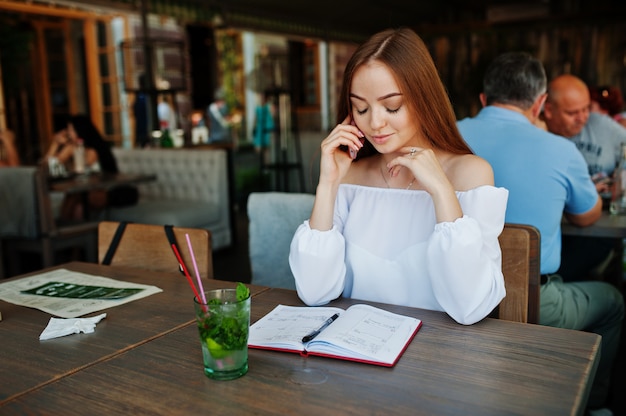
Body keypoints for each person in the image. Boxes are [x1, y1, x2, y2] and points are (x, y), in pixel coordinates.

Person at [288, 28, 509, 326]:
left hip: (437, 359)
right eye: (361, 108)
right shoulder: (350, 176)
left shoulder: (470, 173)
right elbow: (314, 292)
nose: (375, 123)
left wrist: (442, 192)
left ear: (423, 99)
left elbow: (470, 306)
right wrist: (327, 184)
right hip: (356, 353)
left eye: (392, 106)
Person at [457, 51, 624, 414]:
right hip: (535, 304)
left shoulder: (446, 134)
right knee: (613, 301)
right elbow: (586, 216)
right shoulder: (561, 150)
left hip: (451, 296)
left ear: (484, 99)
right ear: (541, 104)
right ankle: (591, 405)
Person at [542, 75, 626, 281]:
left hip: (595, 231)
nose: (582, 117)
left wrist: (619, 181)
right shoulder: (537, 134)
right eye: (572, 112)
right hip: (550, 233)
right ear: (547, 109)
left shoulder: (603, 127)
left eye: (586, 109)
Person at [45, 114, 136, 220]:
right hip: (86, 190)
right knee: (77, 203)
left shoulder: (92, 151)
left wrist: (70, 151)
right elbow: (51, 165)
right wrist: (55, 144)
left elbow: (82, 170)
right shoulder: (73, 148)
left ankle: (62, 227)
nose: (68, 134)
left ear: (80, 131)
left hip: (105, 190)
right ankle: (65, 230)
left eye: (70, 130)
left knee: (75, 196)